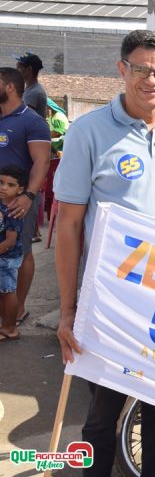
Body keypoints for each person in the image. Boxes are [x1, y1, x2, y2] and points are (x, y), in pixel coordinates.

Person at [53, 29, 155, 477]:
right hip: (111, 299)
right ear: (122, 69)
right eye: (140, 69)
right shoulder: (88, 131)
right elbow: (69, 226)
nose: (150, 80)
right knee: (102, 413)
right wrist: (67, 308)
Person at [0, 67, 51, 328]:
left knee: (21, 253)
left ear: (10, 87)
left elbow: (42, 162)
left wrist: (28, 195)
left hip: (19, 201)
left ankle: (18, 309)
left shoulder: (31, 121)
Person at [0, 165, 28, 342]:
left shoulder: (14, 210)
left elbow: (10, 242)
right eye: (1, 182)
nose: (4, 187)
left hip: (8, 257)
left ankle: (10, 328)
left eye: (10, 185)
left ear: (20, 189)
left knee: (8, 292)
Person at [14, 52, 47, 119]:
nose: (17, 70)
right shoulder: (30, 89)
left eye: (19, 67)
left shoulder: (34, 93)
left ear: (29, 69)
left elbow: (24, 118)